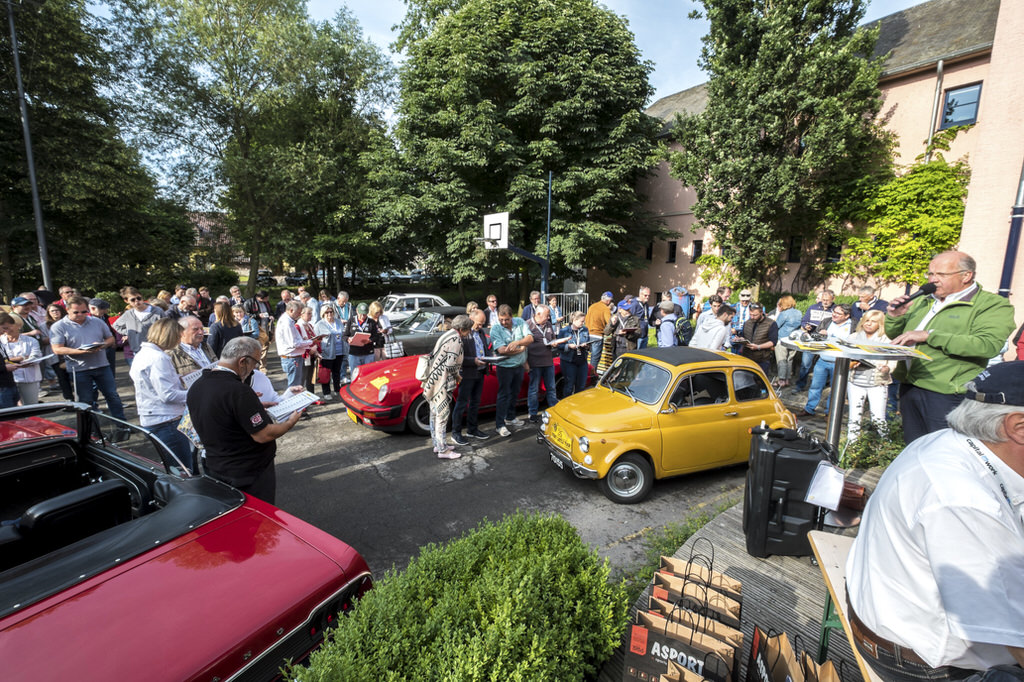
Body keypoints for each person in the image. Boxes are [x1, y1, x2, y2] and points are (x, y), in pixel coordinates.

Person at [846, 362, 1024, 682]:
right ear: (1017, 426)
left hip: (888, 617)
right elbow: (1017, 639)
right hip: (918, 661)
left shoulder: (951, 442)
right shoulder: (963, 499)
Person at [886, 251, 1015, 444]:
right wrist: (895, 317)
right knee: (913, 448)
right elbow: (897, 336)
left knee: (942, 452)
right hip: (910, 385)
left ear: (966, 276)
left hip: (947, 394)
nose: (933, 279)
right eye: (930, 274)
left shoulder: (993, 305)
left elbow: (987, 345)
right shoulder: (924, 300)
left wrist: (930, 336)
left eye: (941, 275)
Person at [187, 337, 303, 504]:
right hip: (248, 473)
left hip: (215, 466)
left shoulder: (198, 385)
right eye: (255, 363)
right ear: (243, 361)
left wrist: (254, 407)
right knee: (256, 518)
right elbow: (263, 435)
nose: (255, 368)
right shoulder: (239, 391)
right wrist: (290, 422)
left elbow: (221, 412)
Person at [49, 297, 128, 431]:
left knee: (113, 396)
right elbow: (57, 348)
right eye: (76, 312)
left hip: (102, 365)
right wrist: (78, 351)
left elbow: (110, 338)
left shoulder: (97, 321)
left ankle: (122, 425)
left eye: (83, 312)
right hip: (79, 369)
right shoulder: (59, 326)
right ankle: (92, 431)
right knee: (85, 401)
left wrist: (102, 345)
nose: (80, 315)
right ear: (67, 310)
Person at [128, 317, 195, 472]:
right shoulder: (159, 358)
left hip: (154, 417)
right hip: (166, 420)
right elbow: (168, 395)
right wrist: (196, 392)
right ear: (169, 336)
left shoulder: (143, 353)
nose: (179, 341)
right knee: (183, 471)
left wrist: (180, 377)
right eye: (178, 337)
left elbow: (151, 382)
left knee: (173, 468)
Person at [420, 314, 471, 458]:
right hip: (441, 381)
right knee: (442, 415)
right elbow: (450, 364)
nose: (469, 333)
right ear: (462, 329)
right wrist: (458, 375)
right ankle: (443, 451)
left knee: (434, 413)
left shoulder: (447, 334)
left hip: (433, 378)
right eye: (468, 330)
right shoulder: (456, 340)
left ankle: (438, 444)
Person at [847, 310, 895, 442]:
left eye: (873, 322)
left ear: (880, 324)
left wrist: (888, 368)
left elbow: (892, 361)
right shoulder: (853, 337)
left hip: (877, 382)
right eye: (867, 320)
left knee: (878, 417)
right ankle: (851, 445)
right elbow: (845, 357)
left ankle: (885, 445)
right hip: (855, 380)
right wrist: (851, 363)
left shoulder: (886, 339)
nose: (868, 324)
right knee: (854, 416)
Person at [490, 304, 534, 437]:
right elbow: (502, 350)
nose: (503, 322)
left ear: (511, 317)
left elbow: (530, 338)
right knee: (503, 395)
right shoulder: (495, 329)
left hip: (519, 366)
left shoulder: (520, 322)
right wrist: (521, 349)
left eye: (506, 320)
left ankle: (510, 417)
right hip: (505, 367)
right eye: (501, 320)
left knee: (514, 393)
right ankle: (500, 425)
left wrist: (518, 343)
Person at [803, 303, 854, 416]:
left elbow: (853, 342)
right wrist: (820, 334)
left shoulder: (853, 325)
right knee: (815, 386)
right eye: (834, 312)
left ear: (846, 316)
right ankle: (809, 409)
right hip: (823, 360)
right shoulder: (827, 321)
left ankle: (830, 413)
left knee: (835, 390)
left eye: (838, 313)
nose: (834, 315)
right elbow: (816, 337)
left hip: (840, 362)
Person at [451, 309, 491, 445]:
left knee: (475, 402)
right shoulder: (462, 335)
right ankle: (456, 433)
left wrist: (491, 358)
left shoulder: (480, 332)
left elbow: (484, 348)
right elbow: (457, 357)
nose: (481, 327)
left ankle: (472, 429)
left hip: (480, 371)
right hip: (467, 373)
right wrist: (473, 361)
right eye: (479, 324)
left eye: (483, 324)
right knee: (462, 403)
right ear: (471, 319)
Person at [525, 304, 567, 423]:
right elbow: (524, 344)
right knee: (534, 389)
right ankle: (532, 413)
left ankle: (553, 410)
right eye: (547, 315)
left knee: (551, 387)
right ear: (538, 314)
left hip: (548, 362)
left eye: (549, 315)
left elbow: (552, 338)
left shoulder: (548, 325)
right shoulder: (527, 324)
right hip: (534, 362)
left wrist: (554, 343)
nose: (549, 318)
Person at [795, 289, 836, 390]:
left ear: (833, 299)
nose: (825, 302)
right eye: (823, 300)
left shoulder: (836, 310)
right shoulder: (813, 307)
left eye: (827, 300)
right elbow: (804, 321)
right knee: (805, 364)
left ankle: (822, 386)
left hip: (826, 340)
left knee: (825, 365)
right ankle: (800, 385)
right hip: (812, 338)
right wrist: (806, 326)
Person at [114, 287, 164, 368]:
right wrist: (130, 332)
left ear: (142, 297)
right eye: (133, 300)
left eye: (139, 298)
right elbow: (116, 325)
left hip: (156, 349)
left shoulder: (157, 311)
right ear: (126, 301)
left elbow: (167, 327)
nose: (137, 301)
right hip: (138, 351)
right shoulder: (128, 314)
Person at [1, 315, 43, 404]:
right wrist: (22, 358)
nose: (7, 330)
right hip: (9, 380)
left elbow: (36, 356)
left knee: (31, 405)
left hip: (28, 378)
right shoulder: (1, 341)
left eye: (9, 326)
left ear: (18, 326)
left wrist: (26, 361)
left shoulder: (31, 340)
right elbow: (4, 360)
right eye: (4, 327)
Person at [275, 300, 314, 388]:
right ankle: (292, 401)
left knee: (296, 385)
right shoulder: (287, 323)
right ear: (291, 310)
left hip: (293, 357)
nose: (300, 315)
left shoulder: (289, 321)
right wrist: (311, 342)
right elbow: (294, 343)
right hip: (292, 358)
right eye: (299, 312)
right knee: (294, 387)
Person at [771, 295, 802, 388]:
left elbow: (776, 326)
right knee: (790, 360)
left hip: (782, 339)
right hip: (794, 340)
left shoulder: (784, 314)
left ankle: (781, 380)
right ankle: (788, 379)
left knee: (782, 360)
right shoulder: (799, 312)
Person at [315, 305, 345, 399]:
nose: (329, 314)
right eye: (327, 312)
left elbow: (343, 333)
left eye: (331, 311)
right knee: (326, 372)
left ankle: (337, 390)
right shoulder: (319, 324)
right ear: (323, 314)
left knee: (337, 372)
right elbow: (316, 339)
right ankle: (326, 392)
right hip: (327, 352)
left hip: (339, 351)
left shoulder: (338, 322)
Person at [739, 302, 778, 375]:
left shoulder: (771, 324)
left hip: (762, 359)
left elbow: (773, 342)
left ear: (761, 312)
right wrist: (739, 340)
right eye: (750, 314)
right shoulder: (747, 322)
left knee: (759, 382)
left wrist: (758, 347)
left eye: (755, 315)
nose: (752, 317)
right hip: (747, 357)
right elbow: (743, 336)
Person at [557, 311, 591, 396]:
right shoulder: (564, 331)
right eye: (581, 321)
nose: (583, 323)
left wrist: (586, 345)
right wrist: (568, 346)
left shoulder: (585, 330)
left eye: (584, 321)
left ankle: (577, 405)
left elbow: (588, 342)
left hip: (582, 361)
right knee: (569, 385)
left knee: (581, 385)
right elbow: (558, 346)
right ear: (575, 320)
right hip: (569, 361)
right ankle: (566, 404)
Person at [45, 305, 74, 400]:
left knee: (75, 378)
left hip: (71, 353)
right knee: (62, 379)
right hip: (55, 356)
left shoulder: (69, 322)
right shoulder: (44, 325)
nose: (55, 312)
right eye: (52, 311)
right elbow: (42, 341)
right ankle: (69, 400)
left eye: (57, 310)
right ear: (48, 313)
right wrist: (56, 338)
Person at [243, 289, 275, 370]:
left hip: (266, 327)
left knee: (265, 346)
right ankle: (256, 366)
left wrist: (271, 315)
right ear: (260, 298)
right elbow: (246, 314)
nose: (267, 300)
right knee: (258, 347)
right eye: (266, 298)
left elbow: (270, 311)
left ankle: (263, 366)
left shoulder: (266, 302)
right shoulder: (249, 302)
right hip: (257, 327)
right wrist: (258, 315)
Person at [345, 302, 380, 374]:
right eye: (360, 314)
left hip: (368, 353)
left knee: (368, 375)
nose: (362, 316)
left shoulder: (371, 322)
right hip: (354, 353)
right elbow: (344, 335)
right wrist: (348, 339)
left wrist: (370, 340)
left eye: (364, 314)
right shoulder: (351, 321)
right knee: (355, 375)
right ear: (357, 311)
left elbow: (376, 336)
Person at [585, 291, 614, 361]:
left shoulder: (592, 306)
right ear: (608, 300)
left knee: (585, 357)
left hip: (587, 334)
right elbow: (609, 322)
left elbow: (586, 319)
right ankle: (592, 372)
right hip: (597, 335)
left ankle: (585, 371)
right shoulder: (605, 308)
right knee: (595, 358)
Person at [0, 314, 21, 408]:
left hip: (9, 383)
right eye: (4, 328)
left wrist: (12, 363)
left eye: (8, 328)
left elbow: (3, 359)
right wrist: (4, 368)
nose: (6, 332)